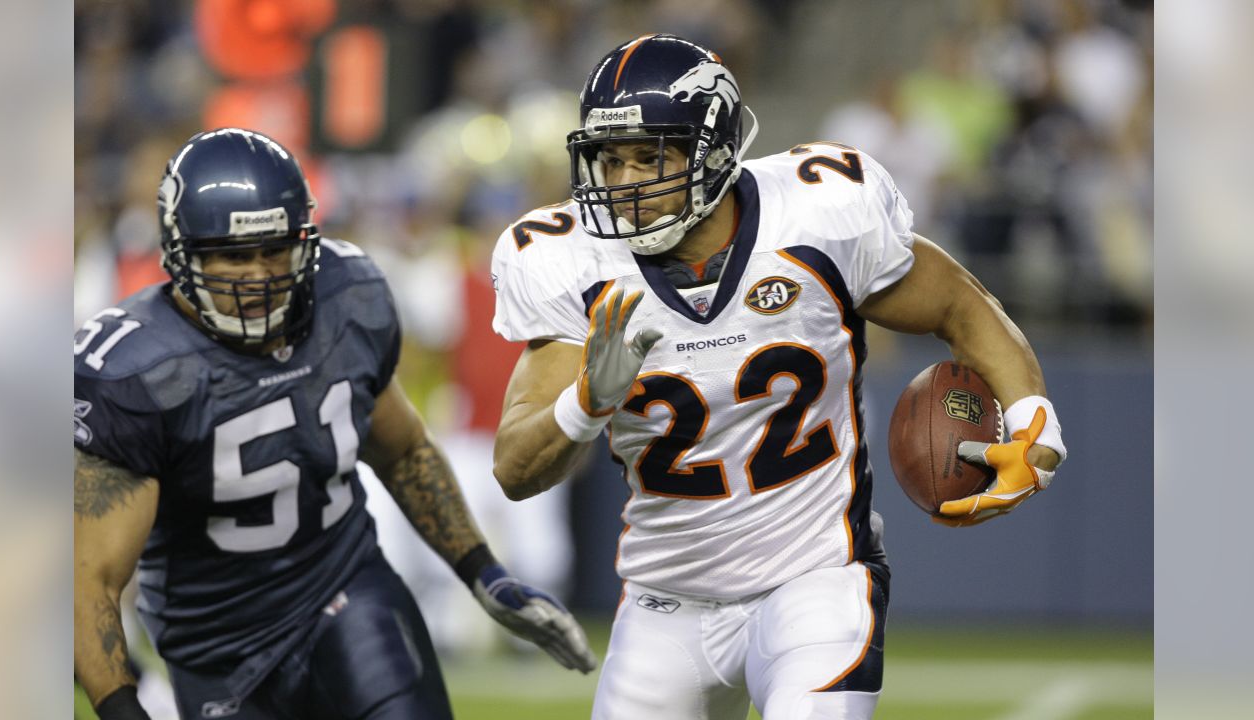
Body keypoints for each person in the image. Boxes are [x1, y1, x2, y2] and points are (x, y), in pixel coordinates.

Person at [489, 34, 1067, 720]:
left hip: (812, 580)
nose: (624, 184)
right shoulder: (569, 263)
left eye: (651, 157)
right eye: (610, 160)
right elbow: (514, 469)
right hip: (663, 603)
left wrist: (1034, 417)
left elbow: (959, 305)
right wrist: (585, 402)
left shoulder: (819, 214)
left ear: (717, 148)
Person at [73, 128, 596, 720]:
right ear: (179, 253)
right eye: (234, 255)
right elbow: (91, 580)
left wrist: (483, 573)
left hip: (346, 592)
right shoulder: (134, 371)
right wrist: (123, 709)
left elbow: (402, 452)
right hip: (215, 645)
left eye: (275, 249)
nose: (260, 276)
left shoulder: (347, 295)